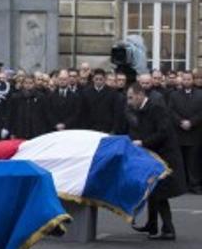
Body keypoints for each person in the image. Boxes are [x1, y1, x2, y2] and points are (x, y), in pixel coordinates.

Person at [125, 83, 186, 240]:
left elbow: (163, 133)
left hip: (166, 157)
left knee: (159, 192)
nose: (129, 102)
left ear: (140, 95)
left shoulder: (156, 108)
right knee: (152, 191)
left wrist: (143, 143)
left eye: (131, 98)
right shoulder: (142, 110)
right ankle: (152, 225)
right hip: (154, 156)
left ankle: (168, 229)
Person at [167, 72, 202, 194]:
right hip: (179, 132)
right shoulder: (174, 95)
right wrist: (181, 121)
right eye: (185, 79)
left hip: (195, 132)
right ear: (182, 81)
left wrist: (191, 122)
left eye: (189, 79)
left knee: (193, 161)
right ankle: (182, 185)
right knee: (180, 160)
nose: (187, 81)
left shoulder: (200, 94)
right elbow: (171, 111)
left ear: (193, 80)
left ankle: (194, 184)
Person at [81, 68, 122, 133]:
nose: (98, 81)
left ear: (104, 79)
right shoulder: (86, 92)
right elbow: (83, 112)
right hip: (90, 127)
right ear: (93, 79)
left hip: (107, 127)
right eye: (96, 79)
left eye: (101, 79)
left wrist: (114, 128)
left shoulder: (112, 92)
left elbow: (116, 112)